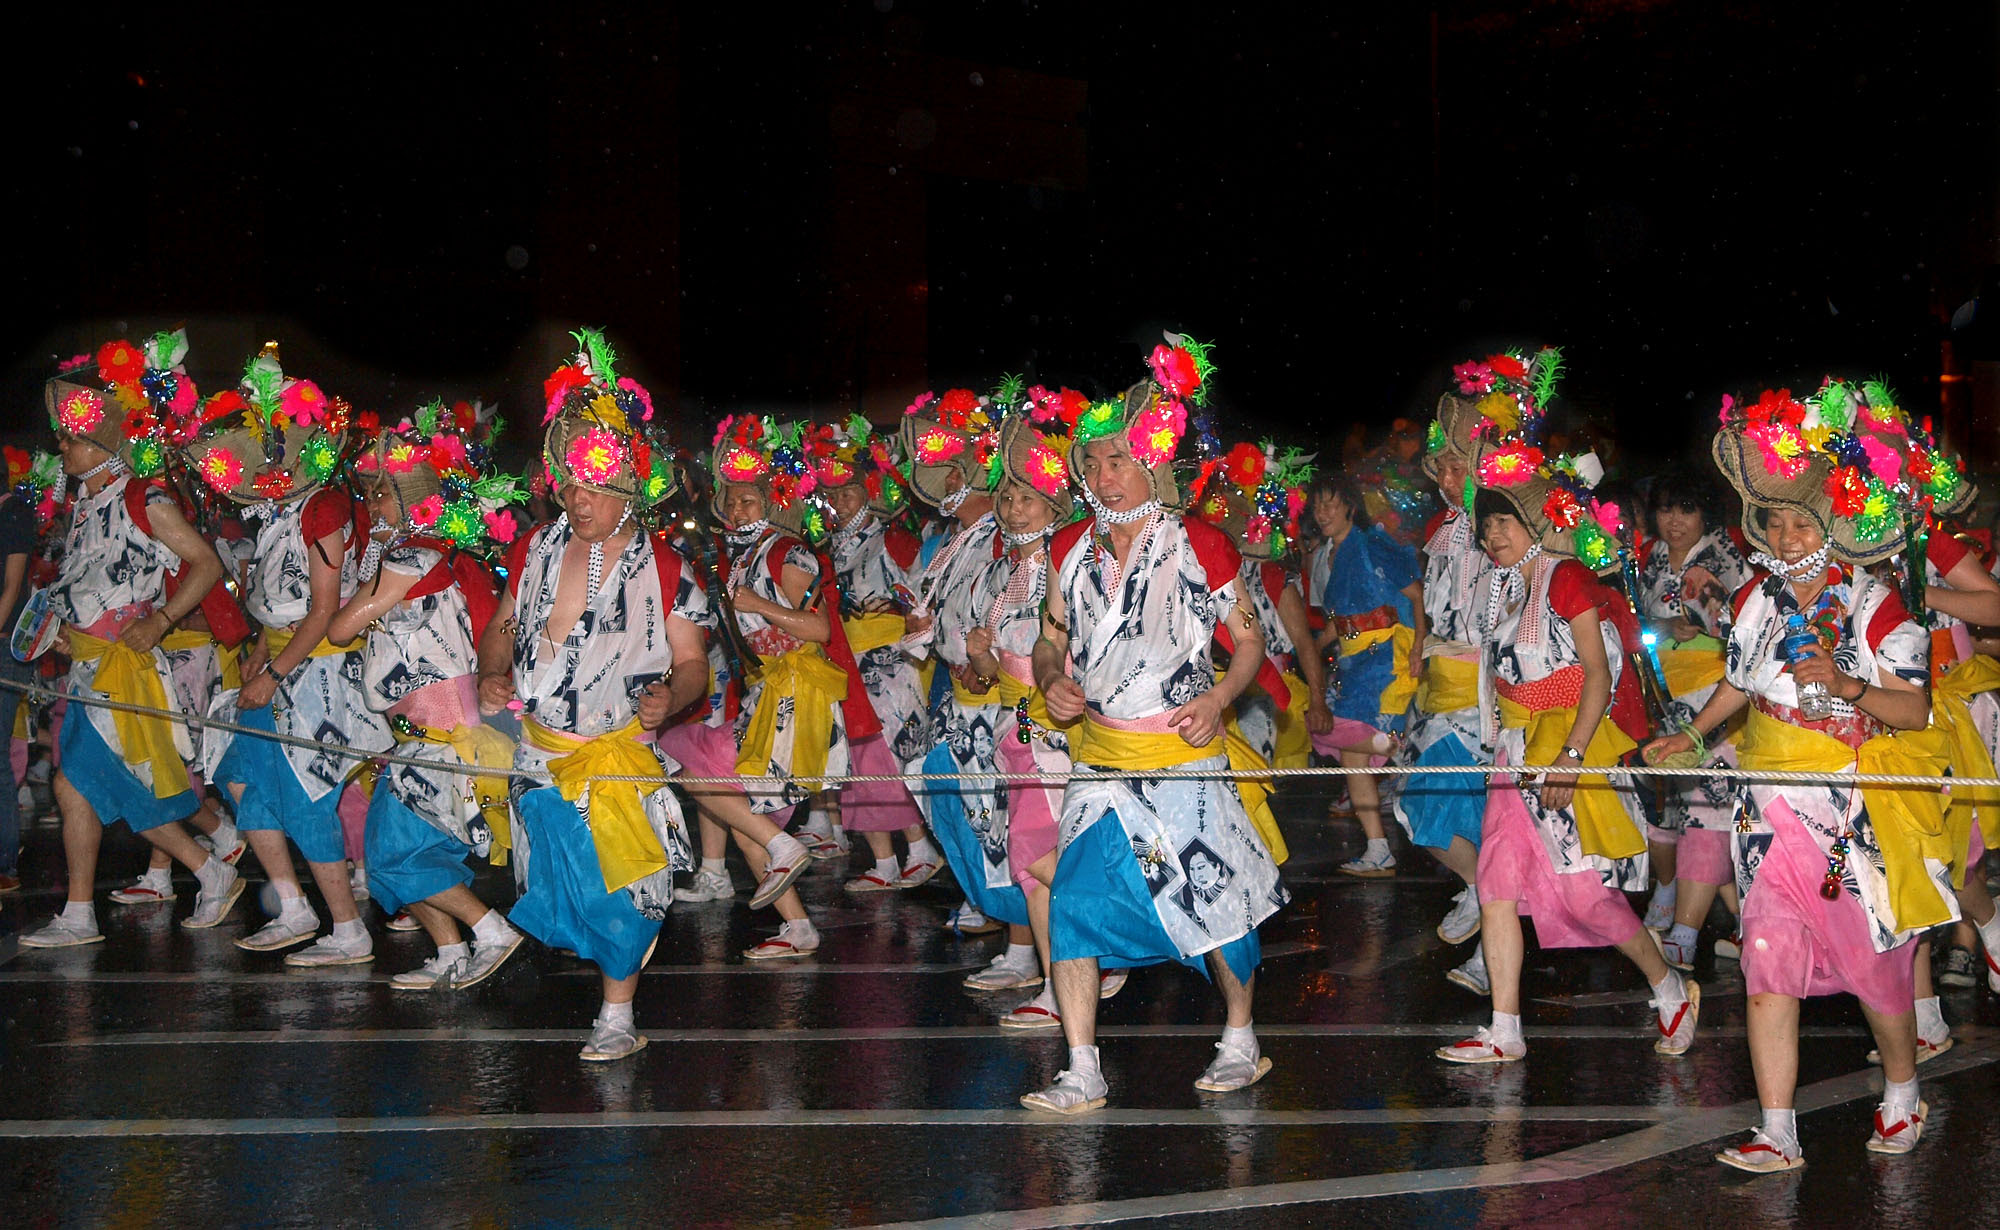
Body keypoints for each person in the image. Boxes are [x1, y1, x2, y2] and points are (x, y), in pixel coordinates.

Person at [1649, 383, 1952, 1171]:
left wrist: (1849, 685)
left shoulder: (1877, 606)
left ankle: (1902, 1092)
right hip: (1765, 808)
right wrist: (1689, 733)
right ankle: (1777, 1130)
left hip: (1847, 812)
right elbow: (1739, 683)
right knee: (1766, 960)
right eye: (1775, 522)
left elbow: (1915, 709)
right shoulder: (1754, 596)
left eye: (1801, 523)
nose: (1784, 537)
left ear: (1832, 524)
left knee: (1875, 970)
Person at [1021, 337, 1289, 1113]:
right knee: (1074, 903)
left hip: (1181, 759)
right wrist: (1051, 678)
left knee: (1212, 903)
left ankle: (1240, 1037)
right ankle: (1082, 1068)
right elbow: (1049, 638)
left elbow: (1250, 642)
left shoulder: (1200, 544)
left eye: (1117, 460)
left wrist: (1220, 699)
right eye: (1092, 462)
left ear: (1151, 465)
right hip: (1100, 763)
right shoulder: (1067, 548)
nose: (1103, 475)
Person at [477, 330, 707, 1058]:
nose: (578, 499)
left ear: (628, 486)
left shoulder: (666, 567)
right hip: (539, 755)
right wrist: (490, 669)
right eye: (570, 484)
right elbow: (502, 625)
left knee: (622, 893)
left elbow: (693, 662)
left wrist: (671, 697)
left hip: (613, 757)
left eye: (595, 486)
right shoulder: (534, 550)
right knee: (560, 888)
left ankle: (617, 1016)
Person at [1435, 436, 1698, 1068]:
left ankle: (1669, 985)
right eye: (1486, 525)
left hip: (1563, 747)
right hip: (1515, 752)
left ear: (1534, 522)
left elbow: (1597, 676)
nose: (1493, 534)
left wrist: (1572, 757)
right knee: (1497, 885)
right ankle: (1505, 1029)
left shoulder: (1568, 577)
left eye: (1505, 522)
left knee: (1584, 895)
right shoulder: (1503, 587)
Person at [21, 335, 245, 946]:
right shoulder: (85, 504)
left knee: (90, 784)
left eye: (71, 439)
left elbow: (205, 564)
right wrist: (66, 634)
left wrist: (162, 620)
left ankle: (204, 869)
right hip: (88, 667)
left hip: (124, 670)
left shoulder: (144, 498)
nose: (61, 447)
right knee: (79, 786)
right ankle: (83, 912)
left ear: (102, 445)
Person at [192, 345, 392, 967]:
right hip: (280, 664)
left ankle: (348, 930)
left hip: (320, 672)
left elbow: (323, 609)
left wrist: (275, 672)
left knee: (306, 797)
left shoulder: (323, 507)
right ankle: (293, 908)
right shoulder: (277, 512)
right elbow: (275, 601)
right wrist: (260, 650)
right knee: (242, 780)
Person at [329, 406, 527, 991]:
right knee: (401, 856)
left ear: (407, 499)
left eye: (381, 495)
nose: (371, 506)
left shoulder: (412, 557)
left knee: (394, 855)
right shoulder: (425, 555)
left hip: (442, 742)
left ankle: (491, 930)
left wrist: (366, 573)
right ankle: (449, 951)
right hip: (415, 741)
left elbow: (340, 629)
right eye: (369, 493)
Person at [656, 414, 858, 960]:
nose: (738, 509)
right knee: (739, 810)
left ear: (772, 501)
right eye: (732, 500)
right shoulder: (744, 554)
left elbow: (818, 629)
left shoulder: (787, 551)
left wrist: (758, 605)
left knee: (694, 769)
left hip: (796, 699)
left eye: (749, 500)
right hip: (765, 696)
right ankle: (798, 926)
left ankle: (780, 860)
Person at [899, 389, 1018, 957]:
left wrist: (989, 667)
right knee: (946, 791)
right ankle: (987, 898)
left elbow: (1016, 616)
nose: (945, 483)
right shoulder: (953, 541)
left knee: (1000, 811)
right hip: (956, 691)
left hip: (1001, 699)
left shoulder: (1002, 536)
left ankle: (1020, 935)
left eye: (953, 472)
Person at [802, 419, 943, 893]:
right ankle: (884, 861)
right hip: (846, 664)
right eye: (833, 494)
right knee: (858, 761)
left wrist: (901, 611)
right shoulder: (827, 548)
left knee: (889, 759)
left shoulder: (893, 540)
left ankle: (920, 849)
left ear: (869, 492)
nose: (840, 502)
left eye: (849, 492)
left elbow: (927, 596)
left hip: (889, 666)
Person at [1397, 377, 1503, 991]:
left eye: (1457, 464)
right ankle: (1482, 888)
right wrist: (1422, 645)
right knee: (1423, 810)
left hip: (1489, 700)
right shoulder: (1444, 530)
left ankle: (1492, 953)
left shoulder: (1507, 527)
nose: (1444, 475)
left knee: (1467, 820)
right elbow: (1438, 612)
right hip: (1441, 691)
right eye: (1439, 466)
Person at [1632, 467, 1754, 969]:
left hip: (1715, 702)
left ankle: (1685, 932)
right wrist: (1662, 626)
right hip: (1663, 700)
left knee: (1709, 811)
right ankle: (1738, 923)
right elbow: (1638, 620)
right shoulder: (1649, 559)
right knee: (1669, 812)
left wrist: (1702, 624)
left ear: (1706, 514)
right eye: (1665, 510)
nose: (1675, 521)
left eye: (1687, 509)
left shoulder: (1722, 556)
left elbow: (1744, 627)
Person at [1303, 470, 1423, 876]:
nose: (1322, 513)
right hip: (1353, 665)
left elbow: (1415, 594)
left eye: (1330, 504)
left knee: (1367, 742)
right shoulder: (1325, 556)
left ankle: (1406, 756)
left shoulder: (1372, 544)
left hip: (1387, 659)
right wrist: (1311, 647)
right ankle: (1378, 847)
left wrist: (1418, 645)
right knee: (1352, 756)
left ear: (1350, 507)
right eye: (1317, 506)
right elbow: (1339, 621)